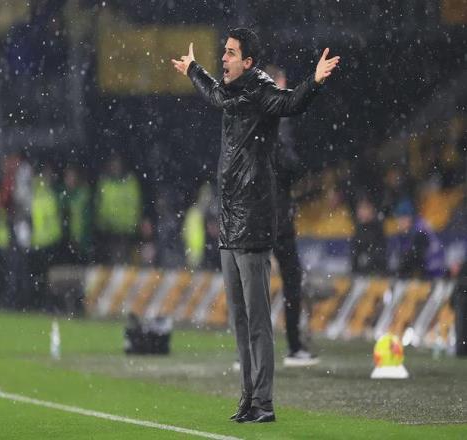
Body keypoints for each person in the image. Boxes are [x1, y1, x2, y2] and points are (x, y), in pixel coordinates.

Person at [172, 28, 340, 423]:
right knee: (239, 319)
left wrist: (314, 81)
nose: (224, 58)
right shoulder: (231, 92)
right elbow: (215, 95)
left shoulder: (261, 89)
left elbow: (290, 103)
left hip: (253, 220)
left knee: (258, 321)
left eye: (231, 53)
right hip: (230, 222)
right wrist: (194, 69)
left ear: (248, 62)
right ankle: (248, 398)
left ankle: (264, 402)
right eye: (224, 52)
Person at [264, 64, 320, 367]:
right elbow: (286, 162)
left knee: (253, 283)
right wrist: (298, 166)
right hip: (277, 215)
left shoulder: (253, 116)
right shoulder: (279, 120)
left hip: (257, 211)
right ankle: (294, 346)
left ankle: (248, 352)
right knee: (291, 280)